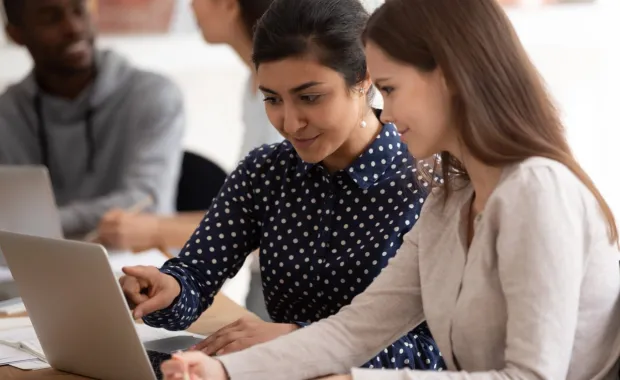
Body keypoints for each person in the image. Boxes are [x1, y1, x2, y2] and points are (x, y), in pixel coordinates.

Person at [160, 0, 620, 379]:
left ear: (450, 77)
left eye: (389, 88)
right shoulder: (448, 197)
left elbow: (531, 378)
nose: (386, 112)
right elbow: (353, 331)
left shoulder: (536, 190)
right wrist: (220, 372)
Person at [120, 0, 445, 371]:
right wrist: (166, 289)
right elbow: (195, 275)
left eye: (310, 97)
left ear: (364, 79)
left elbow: (436, 357)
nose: (289, 123)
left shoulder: (427, 185)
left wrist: (299, 339)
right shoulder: (265, 171)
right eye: (272, 99)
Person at [95, 0, 281, 251]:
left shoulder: (283, 93)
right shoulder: (254, 84)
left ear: (228, 5)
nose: (191, 6)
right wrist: (149, 226)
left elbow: (271, 226)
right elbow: (244, 213)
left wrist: (155, 230)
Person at [0, 0, 184, 238]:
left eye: (79, 10)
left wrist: (45, 224)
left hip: (132, 264)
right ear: (16, 35)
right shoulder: (7, 113)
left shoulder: (153, 95)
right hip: (32, 264)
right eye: (50, 18)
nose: (74, 27)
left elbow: (146, 202)